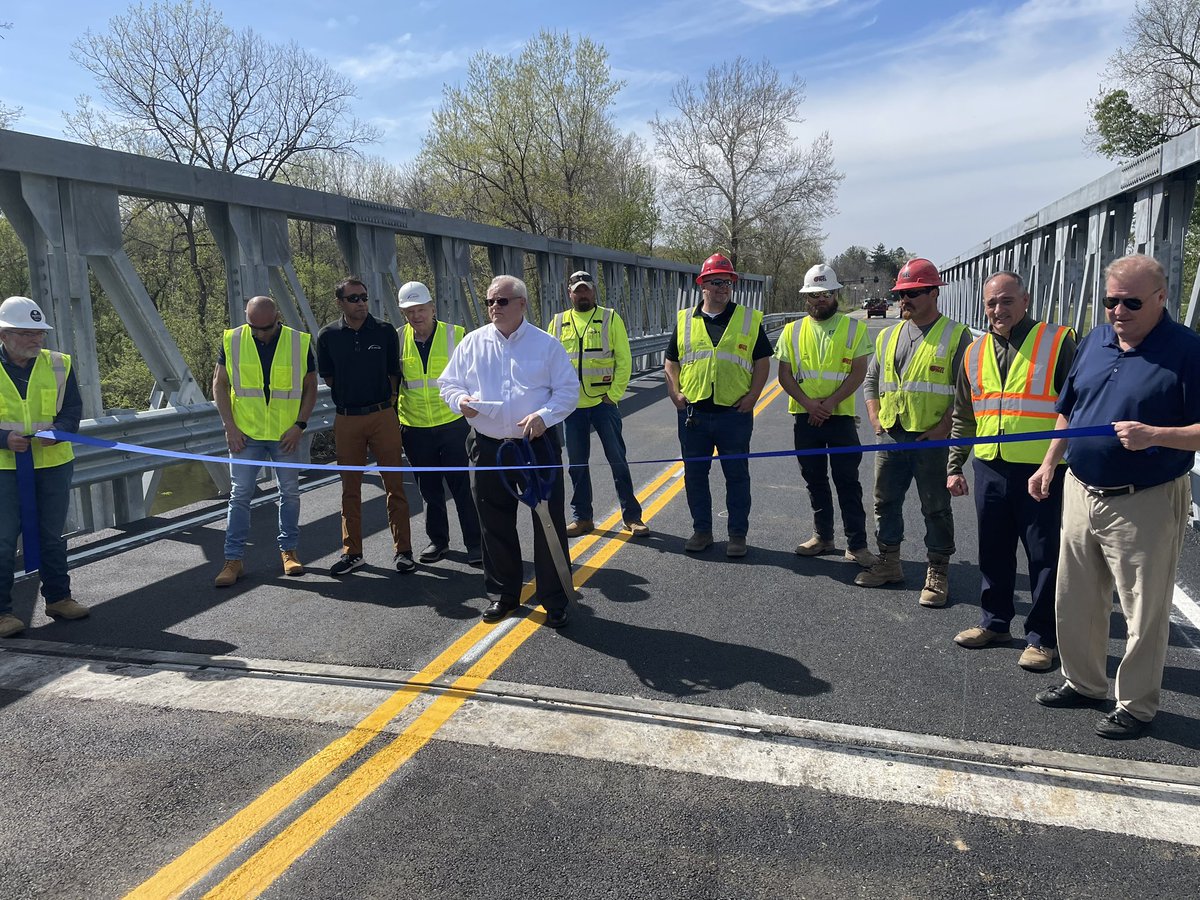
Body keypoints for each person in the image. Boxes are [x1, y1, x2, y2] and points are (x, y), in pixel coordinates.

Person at [1029, 254, 1200, 739]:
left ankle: (1136, 705)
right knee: (1076, 597)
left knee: (1142, 609)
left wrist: (1157, 435)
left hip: (1143, 497)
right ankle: (1083, 682)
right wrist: (1049, 463)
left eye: (1131, 302)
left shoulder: (1188, 351)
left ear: (1161, 298)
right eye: (1110, 302)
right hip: (1081, 488)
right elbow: (1069, 410)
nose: (1118, 312)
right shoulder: (1095, 341)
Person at [947, 272, 1075, 671]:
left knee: (1044, 555)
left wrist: (1053, 463)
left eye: (1006, 301)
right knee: (994, 550)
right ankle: (995, 622)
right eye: (991, 304)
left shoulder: (1058, 342)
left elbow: (1075, 409)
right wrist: (955, 465)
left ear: (1026, 300)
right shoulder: (973, 351)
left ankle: (1042, 638)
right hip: (991, 466)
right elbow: (964, 415)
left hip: (1041, 469)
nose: (998, 310)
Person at [439, 275, 578, 627]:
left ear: (522, 304)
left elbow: (568, 391)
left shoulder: (546, 345)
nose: (494, 308)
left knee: (548, 523)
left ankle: (554, 599)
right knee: (493, 522)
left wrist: (544, 417)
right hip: (487, 447)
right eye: (489, 302)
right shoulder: (472, 343)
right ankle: (503, 594)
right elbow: (448, 383)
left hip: (536, 446)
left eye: (501, 301)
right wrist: (461, 401)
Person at [858, 258, 971, 606]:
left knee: (935, 506)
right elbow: (872, 381)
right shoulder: (889, 335)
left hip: (931, 439)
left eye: (913, 293)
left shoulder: (956, 335)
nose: (904, 299)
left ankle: (937, 571)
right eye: (901, 293)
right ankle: (889, 562)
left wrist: (943, 428)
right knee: (884, 501)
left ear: (934, 293)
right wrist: (876, 419)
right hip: (891, 433)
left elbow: (966, 392)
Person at [663, 253, 771, 557]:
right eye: (715, 282)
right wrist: (675, 394)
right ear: (702, 286)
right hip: (694, 415)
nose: (722, 287)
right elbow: (671, 362)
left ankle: (737, 535)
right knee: (695, 476)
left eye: (727, 282)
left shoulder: (748, 320)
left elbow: (762, 362)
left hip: (733, 415)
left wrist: (753, 396)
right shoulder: (685, 320)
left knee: (736, 475)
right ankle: (702, 531)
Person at [212, 296, 317, 586]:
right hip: (246, 434)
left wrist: (300, 425)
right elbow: (219, 384)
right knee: (240, 495)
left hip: (285, 434)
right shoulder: (233, 340)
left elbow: (310, 387)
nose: (260, 333)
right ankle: (233, 560)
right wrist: (229, 427)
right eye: (254, 327)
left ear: (277, 318)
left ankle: (289, 552)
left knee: (290, 493)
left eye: (266, 328)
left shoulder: (298, 342)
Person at [775, 263, 876, 568]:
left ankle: (857, 545)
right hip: (805, 419)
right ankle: (823, 537)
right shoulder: (792, 330)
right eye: (813, 295)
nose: (819, 301)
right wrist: (809, 404)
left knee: (847, 481)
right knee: (815, 480)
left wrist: (829, 403)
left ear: (835, 295)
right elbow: (784, 374)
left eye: (824, 295)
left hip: (840, 418)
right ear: (806, 298)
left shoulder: (853, 329)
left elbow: (859, 372)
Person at [0, 296, 89, 637]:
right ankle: (2, 612)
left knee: (52, 535)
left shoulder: (58, 364)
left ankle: (59, 598)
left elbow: (72, 411)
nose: (36, 339)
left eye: (40, 333)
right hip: (4, 466)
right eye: (26, 333)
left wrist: (60, 432)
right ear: (4, 334)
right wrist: (3, 440)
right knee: (3, 539)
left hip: (51, 462)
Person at [316, 277, 414, 576]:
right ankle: (353, 553)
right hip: (347, 418)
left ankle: (404, 551)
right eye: (353, 298)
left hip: (382, 415)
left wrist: (391, 406)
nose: (360, 303)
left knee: (394, 486)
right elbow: (329, 377)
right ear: (340, 303)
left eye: (363, 297)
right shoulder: (327, 335)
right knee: (350, 489)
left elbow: (393, 373)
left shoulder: (384, 331)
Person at [549, 270, 648, 539]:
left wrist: (612, 395)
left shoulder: (610, 317)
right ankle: (582, 518)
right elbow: (549, 363)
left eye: (586, 289)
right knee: (577, 464)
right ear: (569, 293)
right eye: (577, 290)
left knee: (617, 460)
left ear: (594, 291)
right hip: (572, 407)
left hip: (603, 403)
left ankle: (632, 516)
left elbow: (624, 360)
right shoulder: (558, 323)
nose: (582, 294)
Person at [395, 281, 482, 566]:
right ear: (403, 313)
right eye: (410, 311)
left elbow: (476, 375)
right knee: (429, 490)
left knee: (462, 488)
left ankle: (475, 544)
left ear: (432, 308)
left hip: (452, 423)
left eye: (421, 309)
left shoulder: (456, 335)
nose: (416, 316)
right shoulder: (397, 339)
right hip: (415, 426)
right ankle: (438, 541)